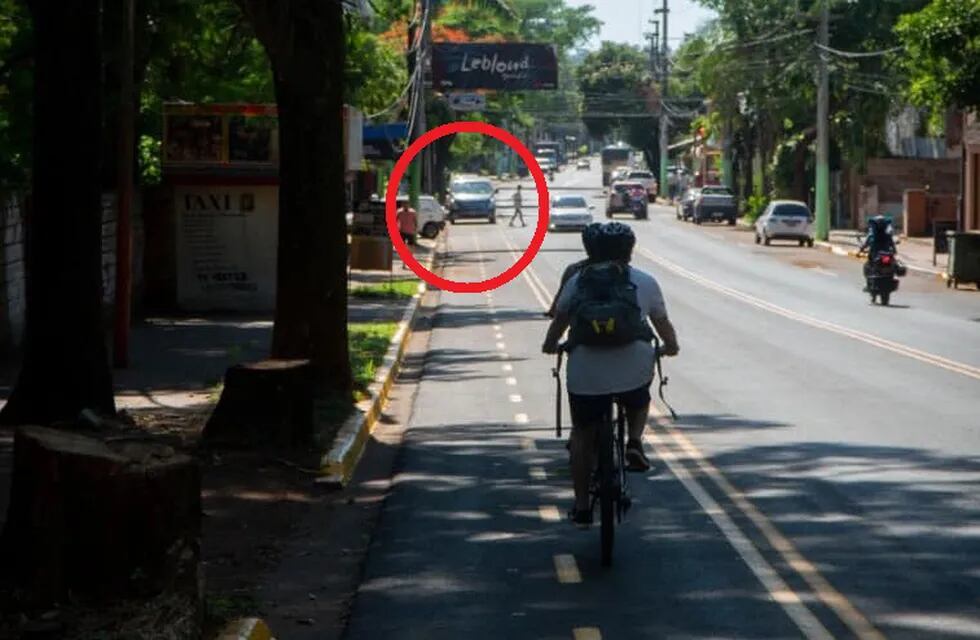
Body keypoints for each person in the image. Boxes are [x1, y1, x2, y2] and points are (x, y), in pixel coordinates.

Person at [542, 222, 680, 527]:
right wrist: (671, 347)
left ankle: (580, 506)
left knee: (582, 433)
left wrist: (550, 345)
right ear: (629, 251)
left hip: (586, 372)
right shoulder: (644, 281)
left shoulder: (577, 281)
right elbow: (662, 324)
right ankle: (633, 440)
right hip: (633, 367)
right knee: (639, 396)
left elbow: (559, 322)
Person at [546, 223, 603, 318]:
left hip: (583, 327)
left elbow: (562, 305)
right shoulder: (628, 273)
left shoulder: (575, 270)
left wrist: (553, 311)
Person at [859, 214, 898, 283]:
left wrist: (861, 249)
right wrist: (894, 251)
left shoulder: (872, 235)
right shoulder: (887, 235)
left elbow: (865, 245)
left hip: (876, 255)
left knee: (869, 262)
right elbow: (893, 245)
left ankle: (870, 280)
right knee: (893, 262)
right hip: (885, 255)